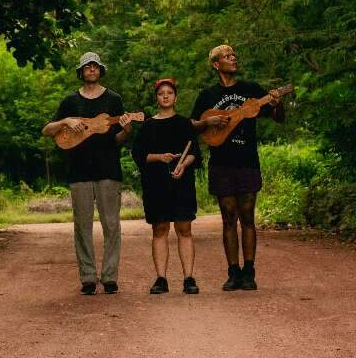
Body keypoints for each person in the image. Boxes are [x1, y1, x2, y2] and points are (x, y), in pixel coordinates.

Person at [191, 45, 284, 291]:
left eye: (234, 56)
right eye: (227, 57)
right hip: (221, 163)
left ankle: (249, 272)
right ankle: (233, 272)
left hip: (247, 161)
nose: (233, 59)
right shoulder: (208, 95)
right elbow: (192, 124)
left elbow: (278, 116)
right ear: (216, 65)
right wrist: (207, 121)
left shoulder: (251, 89)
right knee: (228, 217)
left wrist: (277, 102)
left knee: (248, 216)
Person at [42, 52, 132, 295]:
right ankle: (89, 278)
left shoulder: (114, 99)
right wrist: (66, 122)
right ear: (81, 72)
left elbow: (118, 139)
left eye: (95, 67)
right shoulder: (70, 102)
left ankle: (110, 277)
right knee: (82, 226)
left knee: (111, 225)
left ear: (100, 70)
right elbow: (46, 130)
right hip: (79, 171)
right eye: (87, 67)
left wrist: (126, 129)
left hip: (108, 169)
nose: (91, 70)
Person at [132, 78, 202, 294]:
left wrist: (183, 165)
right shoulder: (147, 126)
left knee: (184, 229)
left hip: (182, 184)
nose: (165, 96)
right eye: (161, 93)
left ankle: (188, 278)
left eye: (169, 93)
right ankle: (161, 279)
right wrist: (159, 157)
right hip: (156, 185)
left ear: (175, 97)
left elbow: (194, 154)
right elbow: (139, 155)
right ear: (157, 98)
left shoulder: (184, 123)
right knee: (160, 230)